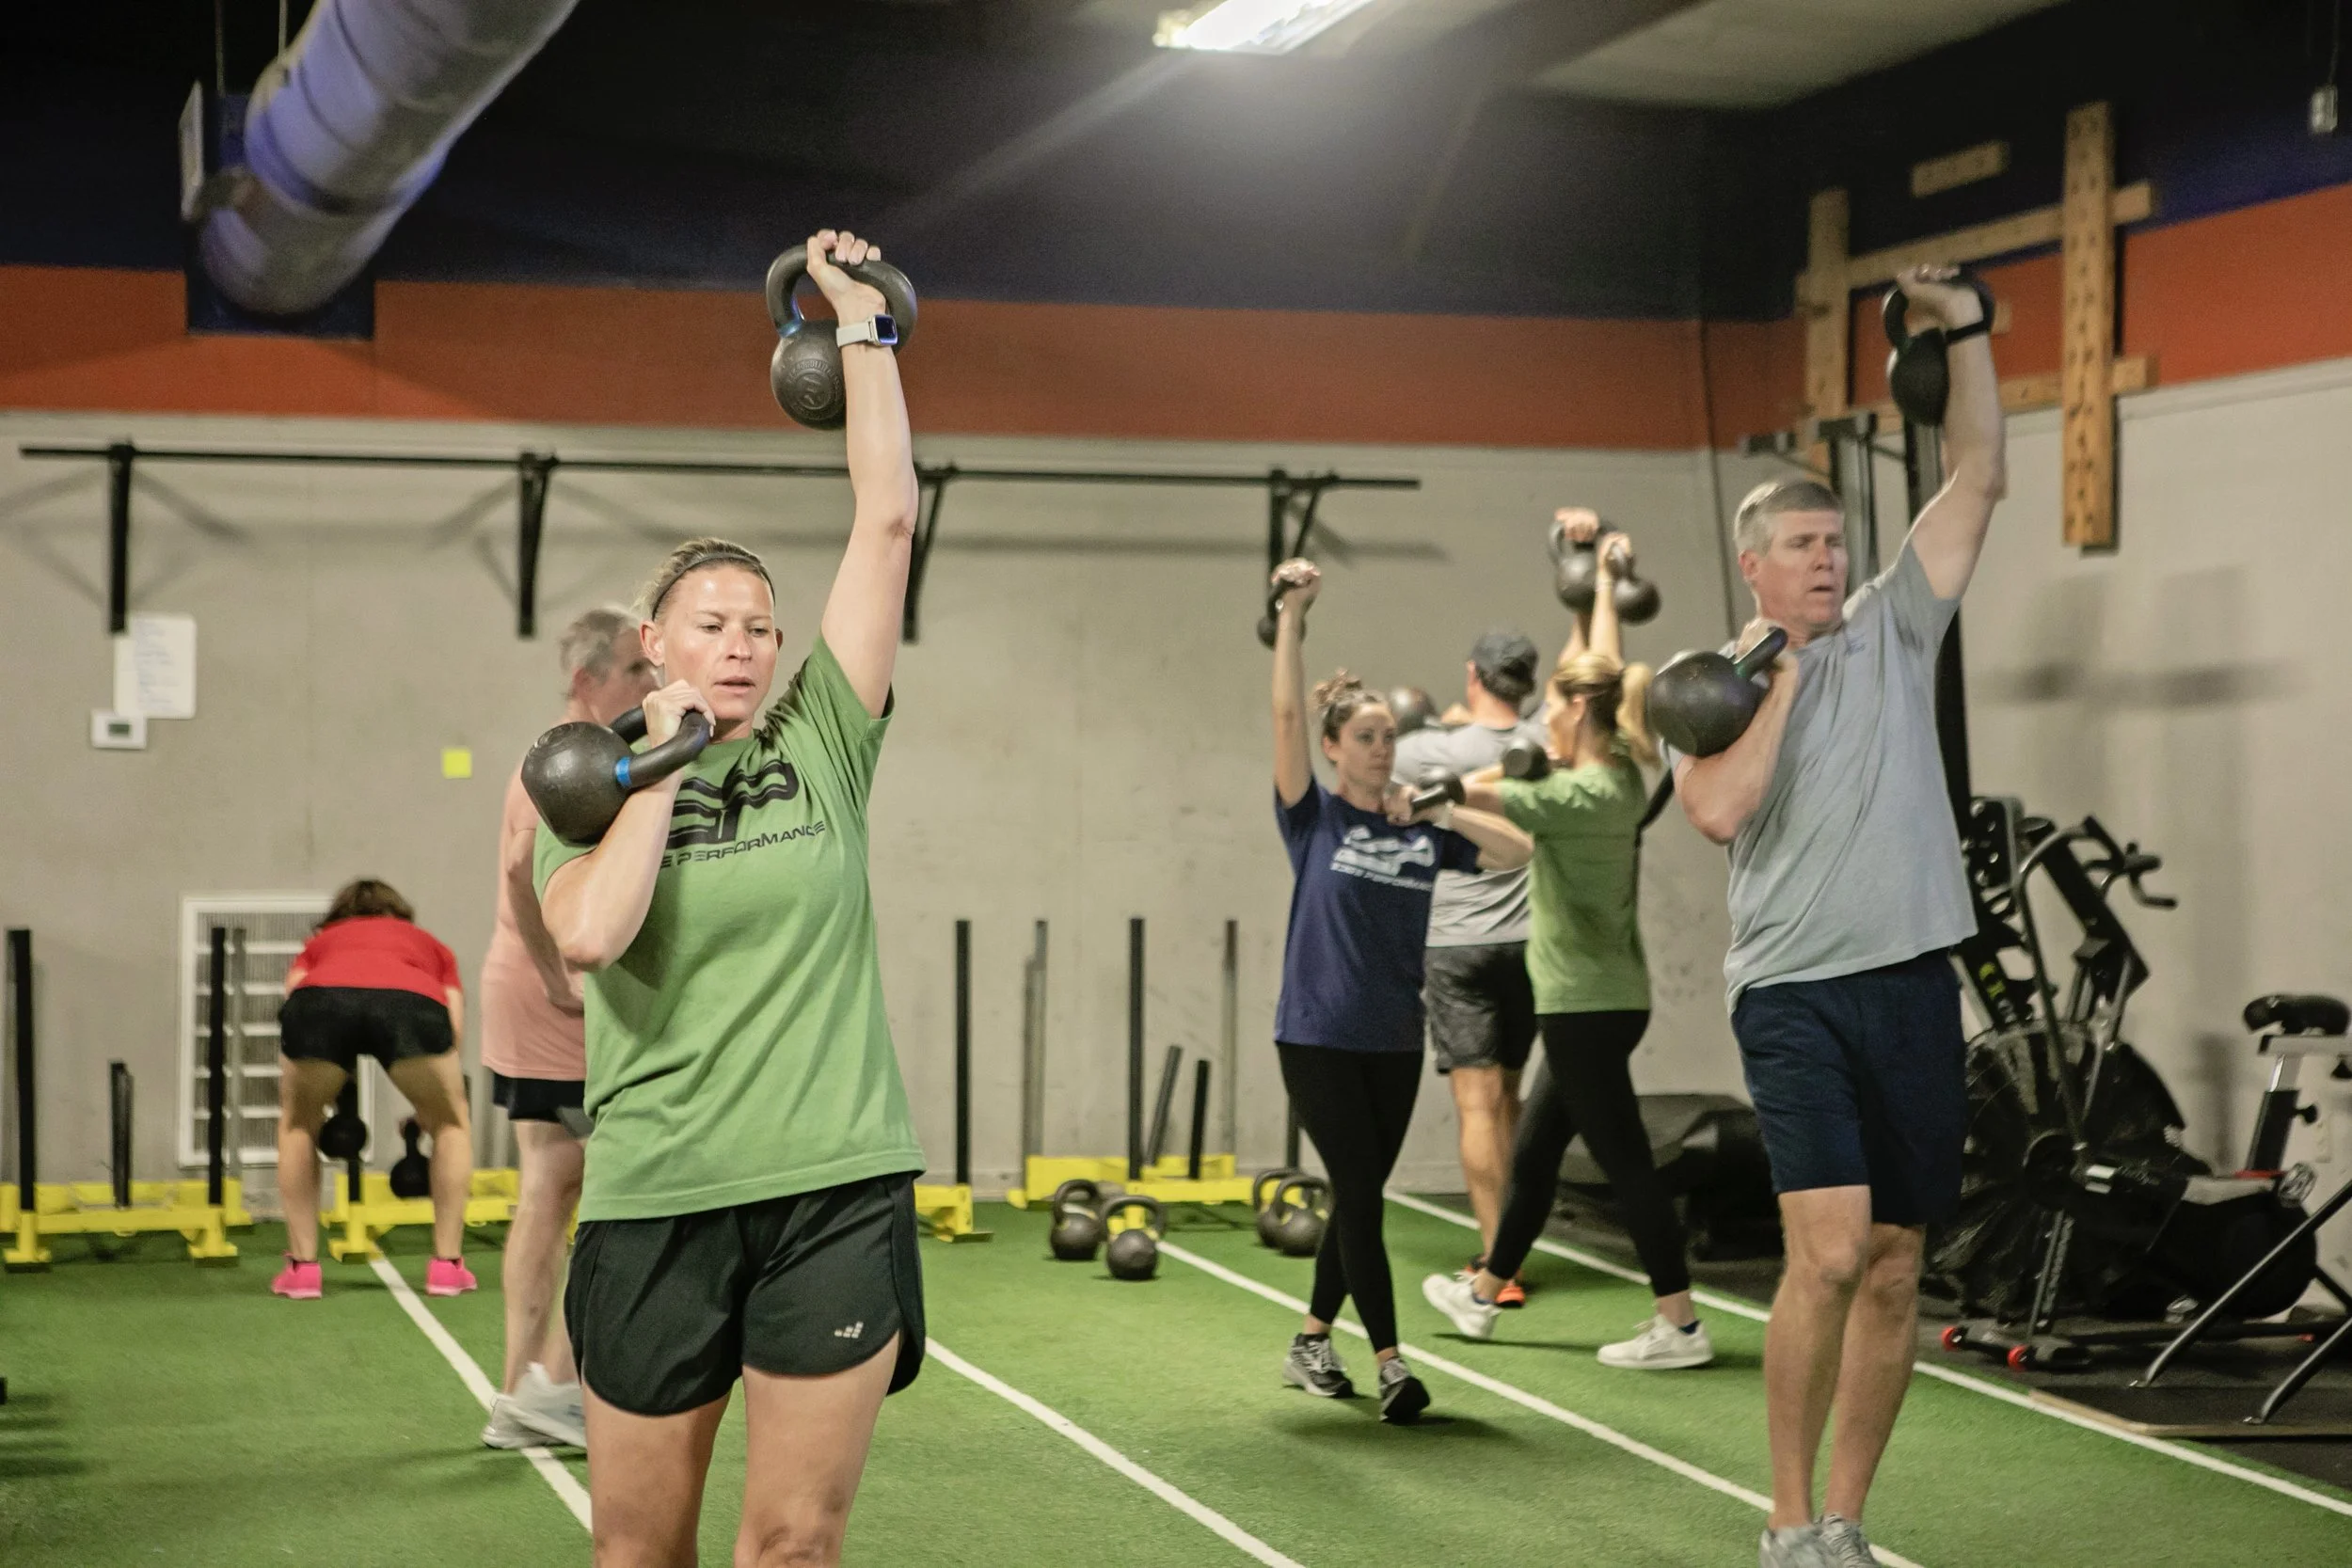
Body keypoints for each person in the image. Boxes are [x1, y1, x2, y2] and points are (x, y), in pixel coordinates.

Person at [536, 230, 927, 1568]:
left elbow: (884, 521)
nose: (746, 642)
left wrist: (863, 326)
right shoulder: (583, 784)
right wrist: (661, 767)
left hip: (832, 1184)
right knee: (639, 1552)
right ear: (656, 644)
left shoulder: (825, 736)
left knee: (794, 1543)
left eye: (761, 623)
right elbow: (590, 933)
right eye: (713, 624)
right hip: (658, 1197)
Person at [1673, 264, 2005, 1568]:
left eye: (1834, 543)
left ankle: (1849, 1522)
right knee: (1823, 1251)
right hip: (1794, 993)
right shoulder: (1707, 686)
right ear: (1754, 565)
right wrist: (1786, 687)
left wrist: (1965, 327)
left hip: (1912, 981)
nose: (1828, 560)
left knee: (1896, 1256)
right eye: (1801, 548)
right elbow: (1716, 813)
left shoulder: (1898, 625)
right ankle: (1785, 1513)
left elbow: (1975, 475)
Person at [1420, 526, 1710, 1370]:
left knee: (1625, 1167)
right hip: (1593, 997)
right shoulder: (1612, 774)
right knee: (1538, 1153)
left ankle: (1681, 1323)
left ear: (1579, 712)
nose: (1543, 716)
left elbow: (1504, 793)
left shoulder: (1587, 793)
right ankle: (1484, 1295)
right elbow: (1568, 717)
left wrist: (1439, 795)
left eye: (1554, 707)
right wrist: (1601, 593)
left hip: (1588, 1004)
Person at [1266, 556, 1534, 1425]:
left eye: (1390, 736)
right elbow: (1281, 712)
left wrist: (1444, 810)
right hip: (1314, 1035)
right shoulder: (1314, 816)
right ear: (1335, 748)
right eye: (1367, 737)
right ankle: (1390, 1362)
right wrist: (1293, 619)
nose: (1383, 748)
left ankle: (1311, 1339)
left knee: (1355, 1198)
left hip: (1393, 1039)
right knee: (1366, 1196)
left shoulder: (1420, 833)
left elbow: (1517, 853)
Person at [478, 607, 658, 1451]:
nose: (649, 682)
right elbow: (521, 867)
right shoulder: (579, 757)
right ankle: (552, 1383)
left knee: (551, 1183)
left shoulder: (566, 753)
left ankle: (522, 1390)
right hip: (554, 999)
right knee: (617, 1179)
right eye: (633, 668)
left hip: (529, 990)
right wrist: (559, 974)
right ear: (588, 681)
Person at [1391, 630, 1549, 1298]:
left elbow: (1363, 753)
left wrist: (1434, 724)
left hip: (1458, 944)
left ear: (1473, 675)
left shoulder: (1425, 750)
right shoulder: (1545, 741)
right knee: (1508, 1096)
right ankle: (1509, 1249)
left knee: (1477, 1105)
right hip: (1531, 944)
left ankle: (1497, 1265)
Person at [271, 879, 471, 1300]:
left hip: (319, 1001)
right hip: (412, 1003)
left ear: (338, 915)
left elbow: (290, 999)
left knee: (296, 1125)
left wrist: (320, 1082)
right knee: (453, 1124)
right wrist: (430, 1107)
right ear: (399, 915)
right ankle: (447, 1267)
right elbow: (452, 1029)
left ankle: (303, 1270)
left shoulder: (319, 942)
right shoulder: (430, 944)